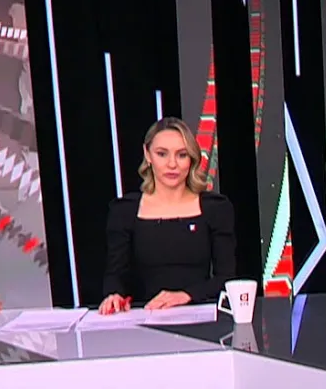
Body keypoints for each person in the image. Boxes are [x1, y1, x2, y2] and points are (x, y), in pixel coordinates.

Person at [99, 117, 236, 314]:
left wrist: (186, 295)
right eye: (162, 154)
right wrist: (114, 295)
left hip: (199, 317)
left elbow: (227, 278)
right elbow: (115, 274)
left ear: (192, 159)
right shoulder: (124, 211)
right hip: (144, 318)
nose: (172, 164)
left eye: (182, 155)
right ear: (147, 155)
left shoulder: (215, 208)